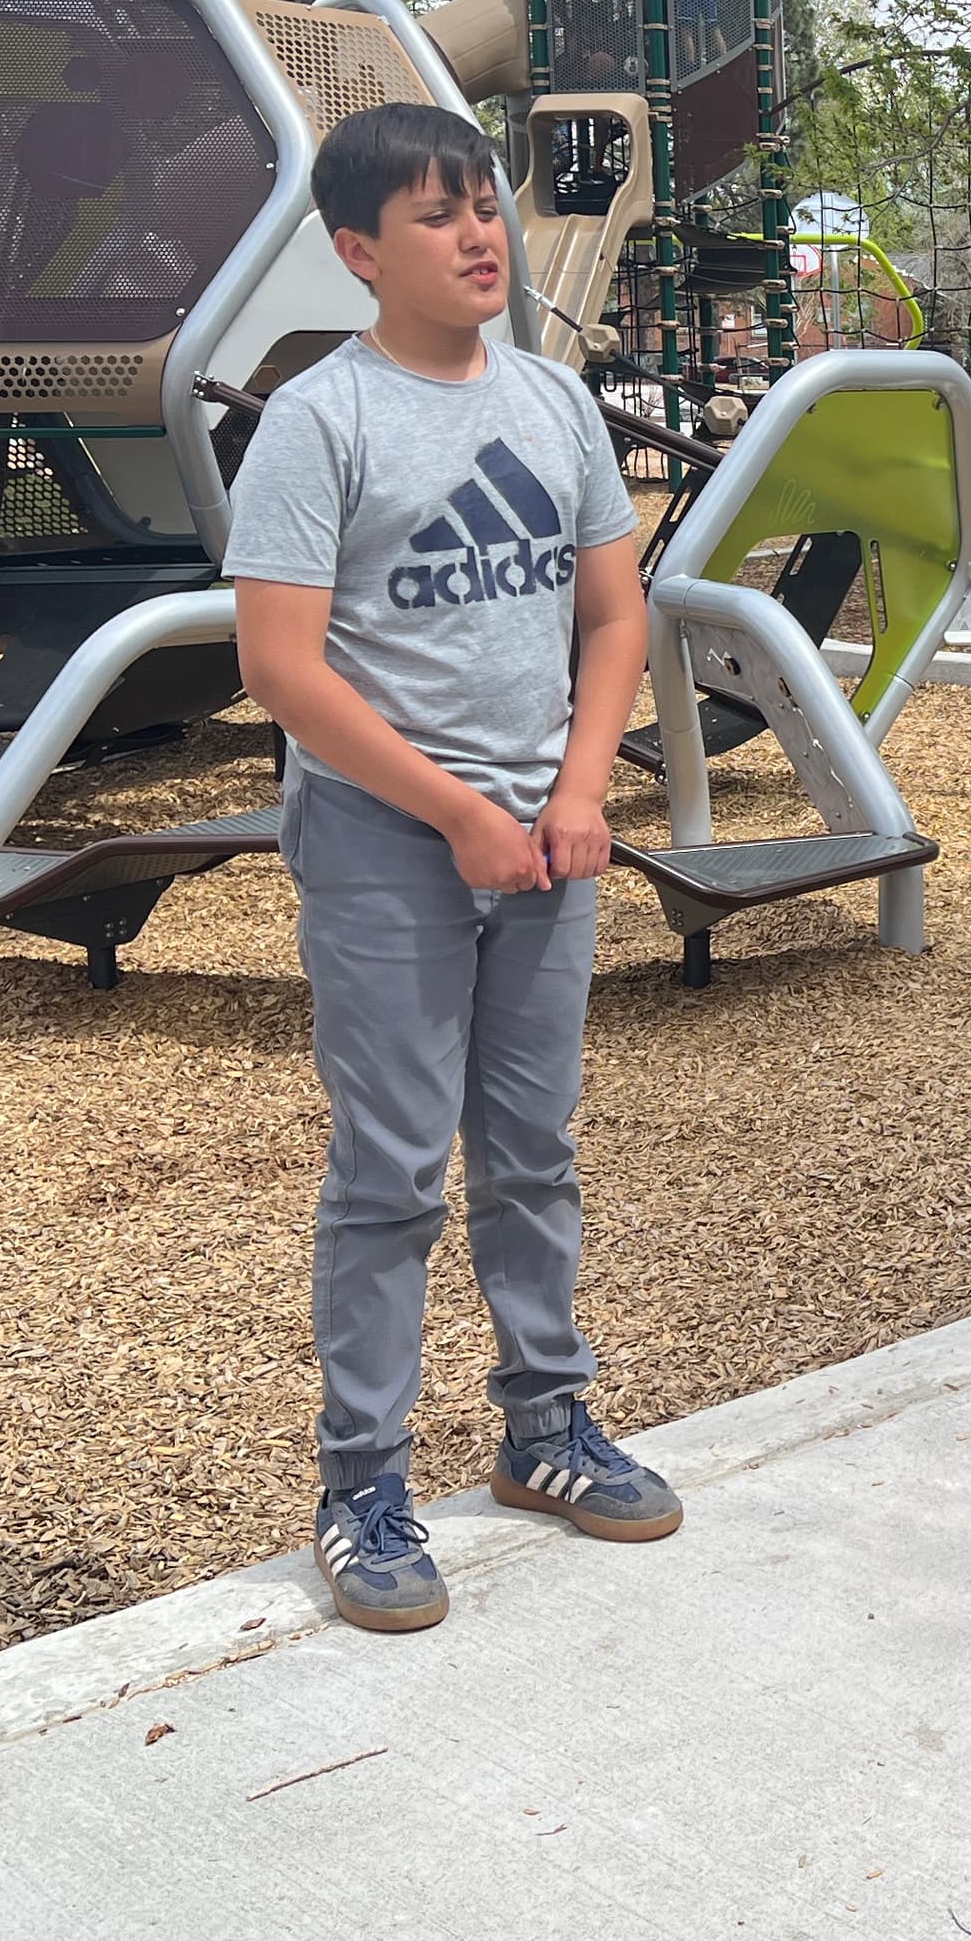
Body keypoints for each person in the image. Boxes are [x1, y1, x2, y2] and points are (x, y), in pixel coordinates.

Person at [226, 101, 680, 1637]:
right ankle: (361, 1482)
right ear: (359, 252)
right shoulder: (321, 421)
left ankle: (545, 1428)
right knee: (391, 1174)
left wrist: (570, 791)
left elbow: (616, 621)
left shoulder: (554, 407)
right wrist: (456, 814)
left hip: (545, 840)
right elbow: (285, 671)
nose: (478, 233)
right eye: (434, 215)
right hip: (383, 848)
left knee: (535, 1150)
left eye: (482, 203)